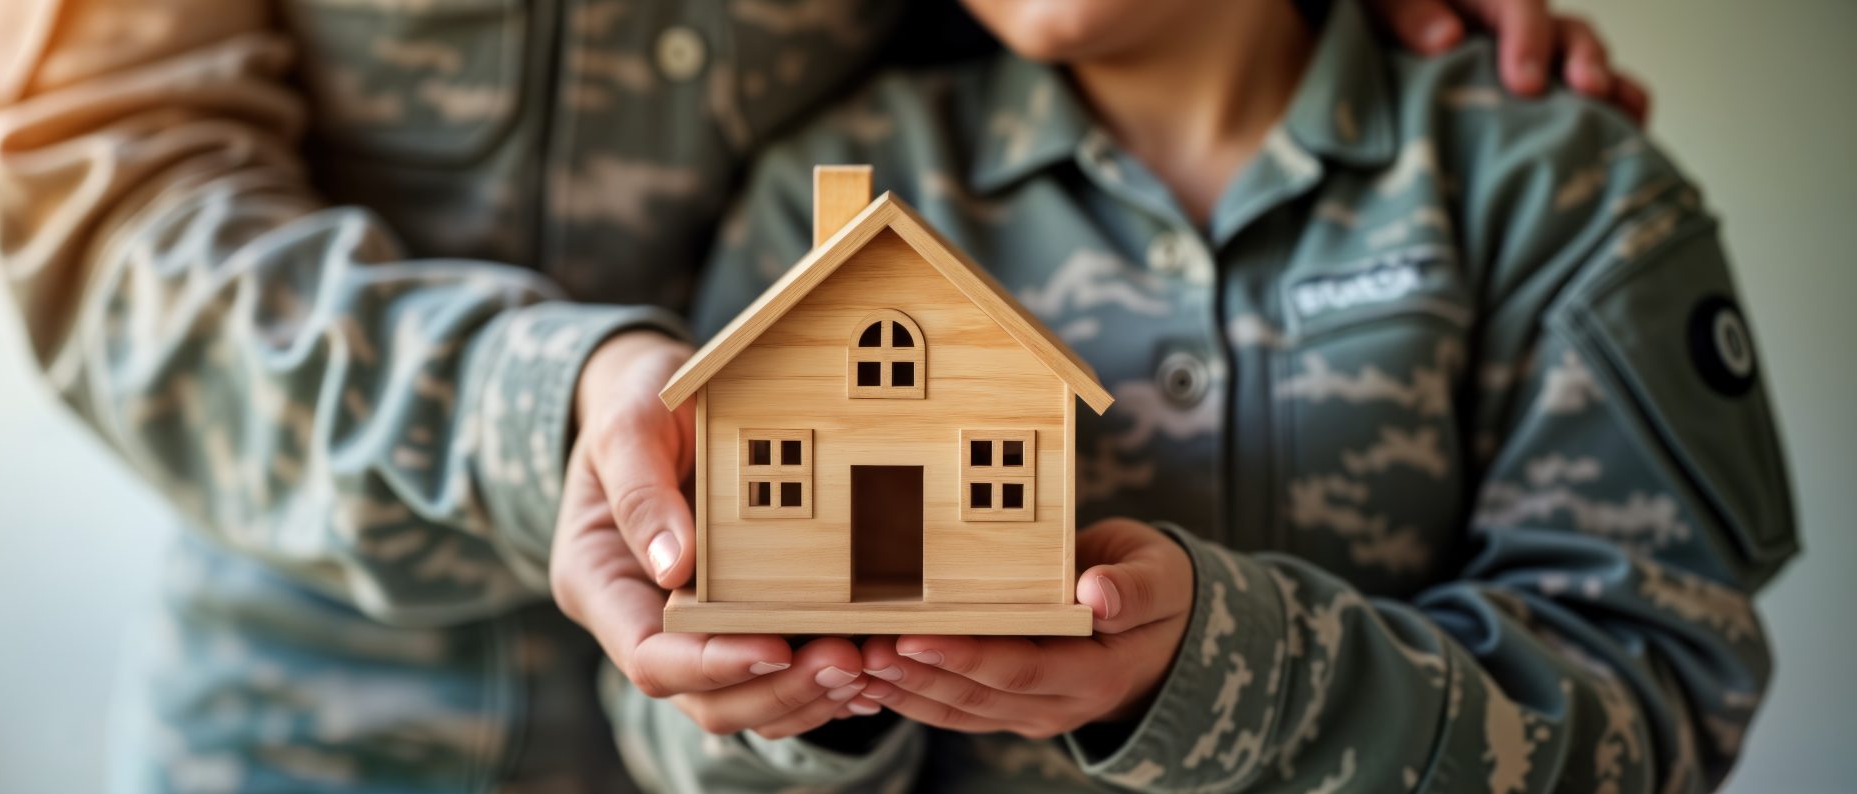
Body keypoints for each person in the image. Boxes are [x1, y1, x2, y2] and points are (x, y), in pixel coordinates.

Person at [0, 0, 1654, 788]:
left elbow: (1640, 666)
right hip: (326, 713)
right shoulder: (838, 185)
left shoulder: (1522, 189)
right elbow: (117, 219)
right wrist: (577, 403)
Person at [564, 0, 1793, 790]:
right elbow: (675, 724)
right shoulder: (823, 191)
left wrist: (1235, 667)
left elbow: (1658, 709)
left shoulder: (1551, 181)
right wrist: (803, 706)